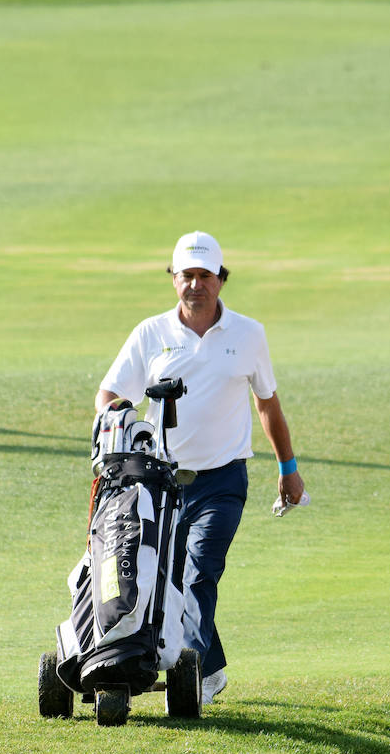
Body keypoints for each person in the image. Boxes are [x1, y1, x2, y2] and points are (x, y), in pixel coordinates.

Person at [96, 231, 307, 704]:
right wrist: (119, 422)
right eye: (186, 275)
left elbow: (267, 405)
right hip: (158, 482)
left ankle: (189, 679)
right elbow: (108, 395)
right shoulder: (150, 334)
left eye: (204, 276)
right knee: (161, 579)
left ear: (221, 279)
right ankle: (206, 666)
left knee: (199, 573)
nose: (196, 285)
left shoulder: (249, 334)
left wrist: (288, 468)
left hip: (223, 478)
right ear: (173, 280)